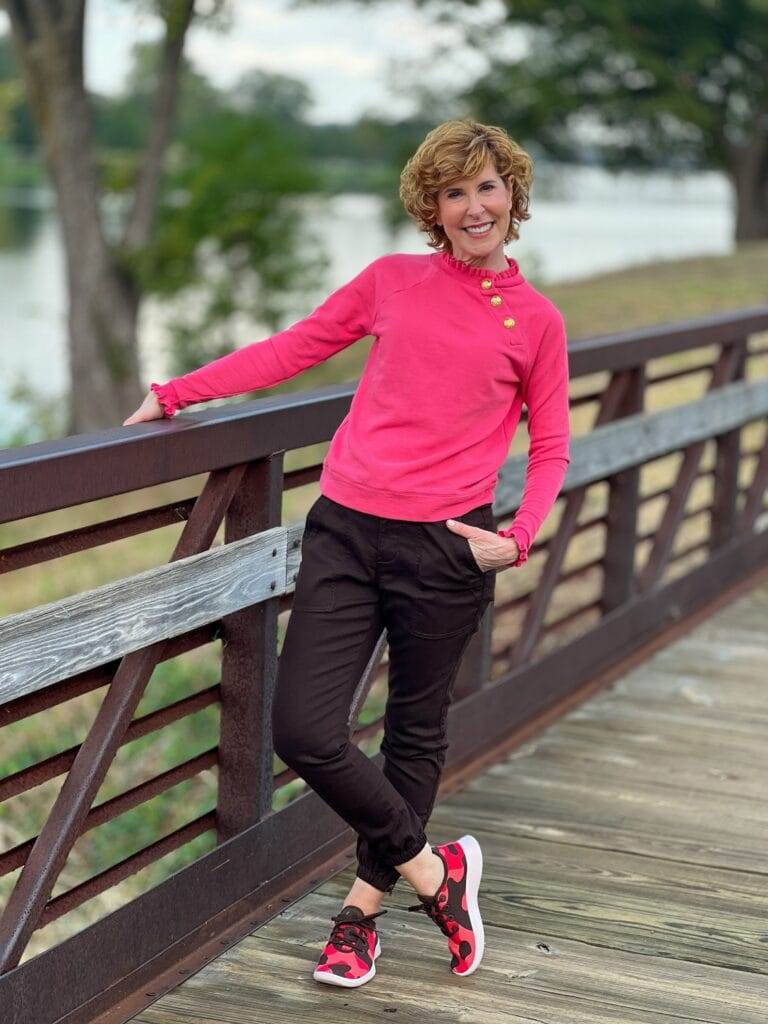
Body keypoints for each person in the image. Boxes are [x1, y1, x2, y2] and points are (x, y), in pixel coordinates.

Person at [124, 118, 571, 988]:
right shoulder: (392, 282)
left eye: (488, 187)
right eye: (454, 192)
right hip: (347, 530)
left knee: (414, 731)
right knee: (305, 729)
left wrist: (517, 538)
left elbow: (550, 445)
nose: (473, 207)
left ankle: (358, 918)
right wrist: (176, 392)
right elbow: (294, 348)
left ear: (511, 195)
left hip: (448, 549)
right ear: (430, 207)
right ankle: (439, 877)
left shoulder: (538, 321)